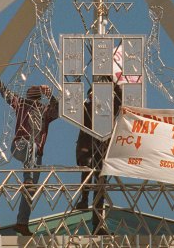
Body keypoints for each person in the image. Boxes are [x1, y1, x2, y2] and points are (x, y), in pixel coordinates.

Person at [0, 66, 59, 236]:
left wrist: (50, 95)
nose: (32, 92)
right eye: (33, 90)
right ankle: (28, 179)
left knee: (30, 193)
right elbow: (5, 92)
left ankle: (22, 223)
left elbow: (60, 110)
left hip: (36, 154)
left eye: (36, 91)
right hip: (20, 146)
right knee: (31, 144)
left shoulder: (45, 110)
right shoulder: (21, 103)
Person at [74, 83, 121, 234]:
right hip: (87, 149)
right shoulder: (85, 109)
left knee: (100, 187)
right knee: (88, 170)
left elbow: (119, 100)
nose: (93, 95)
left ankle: (98, 225)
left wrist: (114, 83)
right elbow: (72, 106)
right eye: (90, 94)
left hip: (102, 150)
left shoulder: (107, 109)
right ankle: (84, 198)